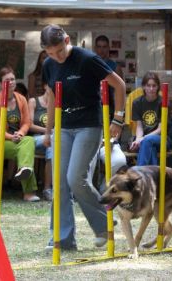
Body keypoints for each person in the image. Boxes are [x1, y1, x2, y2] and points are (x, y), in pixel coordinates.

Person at [40, 24, 125, 250]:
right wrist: (48, 131)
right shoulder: (48, 65)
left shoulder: (87, 59)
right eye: (50, 53)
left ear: (67, 40)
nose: (56, 57)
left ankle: (103, 223)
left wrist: (118, 118)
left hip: (89, 125)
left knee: (75, 178)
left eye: (59, 50)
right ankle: (62, 239)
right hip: (63, 127)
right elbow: (51, 100)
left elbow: (119, 85)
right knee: (60, 184)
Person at [0, 66, 40, 202]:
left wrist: (20, 134)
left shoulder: (21, 99)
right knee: (25, 148)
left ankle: (24, 168)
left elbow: (27, 123)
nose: (11, 82)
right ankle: (28, 192)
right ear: (1, 83)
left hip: (17, 140)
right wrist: (11, 137)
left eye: (13, 79)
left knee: (28, 141)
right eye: (7, 80)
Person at [94, 35, 126, 193]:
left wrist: (117, 118)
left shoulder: (115, 67)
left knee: (112, 151)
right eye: (98, 46)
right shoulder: (90, 64)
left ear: (108, 48)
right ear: (95, 48)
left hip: (112, 110)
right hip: (93, 110)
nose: (101, 50)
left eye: (104, 46)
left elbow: (120, 92)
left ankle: (108, 184)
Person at [129, 72, 165, 166]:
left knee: (147, 141)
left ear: (158, 87)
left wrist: (142, 139)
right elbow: (139, 127)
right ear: (143, 87)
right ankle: (153, 178)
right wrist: (138, 139)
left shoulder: (163, 103)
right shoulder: (137, 103)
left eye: (154, 86)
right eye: (148, 85)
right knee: (150, 148)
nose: (151, 89)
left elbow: (161, 129)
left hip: (162, 139)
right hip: (145, 140)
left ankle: (138, 173)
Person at [28, 80, 53, 201]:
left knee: (53, 146)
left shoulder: (57, 105)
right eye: (50, 84)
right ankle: (48, 188)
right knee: (53, 141)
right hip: (35, 138)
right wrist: (47, 131)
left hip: (51, 141)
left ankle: (48, 188)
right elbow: (29, 125)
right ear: (45, 86)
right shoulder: (33, 101)